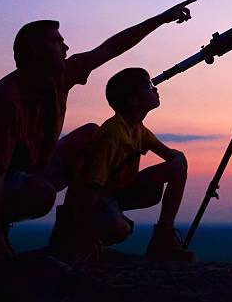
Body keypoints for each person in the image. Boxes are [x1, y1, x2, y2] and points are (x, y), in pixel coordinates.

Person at [0, 0, 197, 257]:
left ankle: (73, 229)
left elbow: (111, 48)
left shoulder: (61, 76)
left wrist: (161, 19)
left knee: (89, 133)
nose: (65, 46)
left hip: (34, 169)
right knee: (42, 195)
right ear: (34, 50)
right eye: (56, 41)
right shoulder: (7, 100)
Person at [55, 67, 194, 262]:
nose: (155, 89)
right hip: (93, 196)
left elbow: (171, 156)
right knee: (119, 229)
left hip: (116, 191)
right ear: (133, 100)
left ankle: (163, 237)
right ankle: (79, 239)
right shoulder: (113, 133)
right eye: (148, 86)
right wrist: (84, 230)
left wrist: (178, 158)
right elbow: (92, 187)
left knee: (177, 166)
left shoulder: (137, 129)